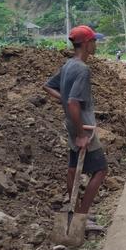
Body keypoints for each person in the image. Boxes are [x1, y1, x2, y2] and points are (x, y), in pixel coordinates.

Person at [42, 25, 107, 219]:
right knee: (101, 170)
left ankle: (73, 212)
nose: (96, 44)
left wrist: (66, 102)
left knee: (72, 168)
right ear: (86, 44)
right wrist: (81, 134)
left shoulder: (68, 65)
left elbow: (47, 86)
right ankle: (82, 216)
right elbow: (72, 102)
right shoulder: (82, 69)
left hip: (72, 123)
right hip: (83, 126)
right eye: (94, 41)